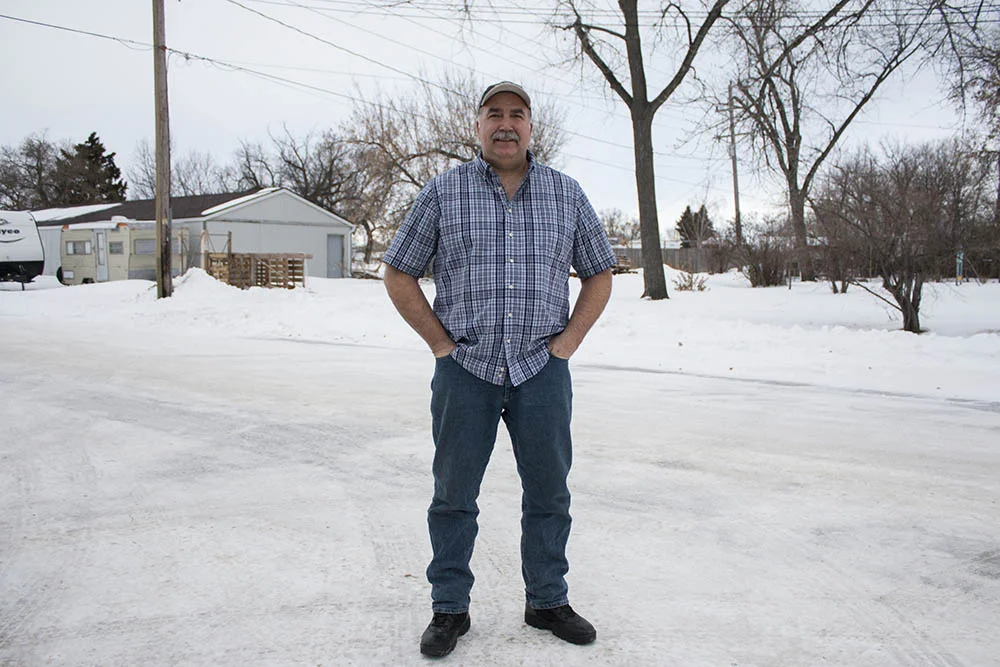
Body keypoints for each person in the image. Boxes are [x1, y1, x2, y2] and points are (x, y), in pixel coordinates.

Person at [382, 81, 616, 658]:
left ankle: (546, 600)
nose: (506, 124)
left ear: (531, 127)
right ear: (478, 125)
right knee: (453, 495)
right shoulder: (444, 192)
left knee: (549, 493)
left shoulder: (567, 194)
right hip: (466, 369)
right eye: (495, 114)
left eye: (517, 114)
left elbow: (600, 272)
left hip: (542, 368)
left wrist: (568, 343)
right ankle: (449, 610)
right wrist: (440, 345)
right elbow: (398, 272)